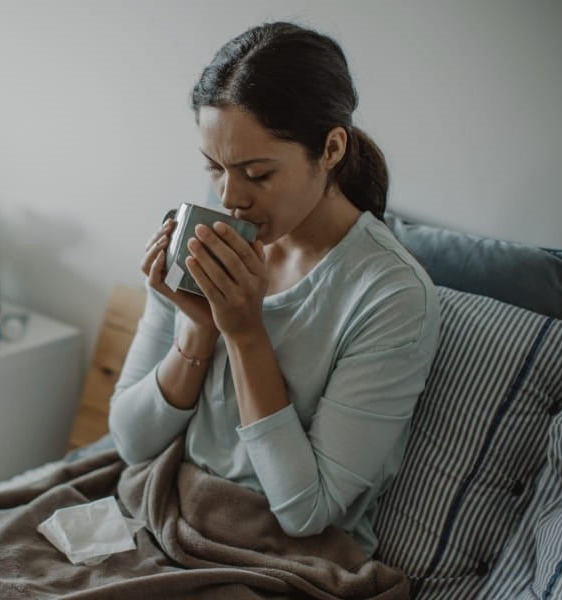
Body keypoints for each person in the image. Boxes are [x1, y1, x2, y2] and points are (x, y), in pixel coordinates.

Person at [108, 21, 441, 558]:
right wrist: (196, 330)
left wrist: (244, 335)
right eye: (214, 168)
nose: (230, 197)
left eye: (257, 173)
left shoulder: (390, 296)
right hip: (162, 508)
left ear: (331, 148)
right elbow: (130, 441)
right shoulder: (205, 237)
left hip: (273, 556)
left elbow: (305, 510)